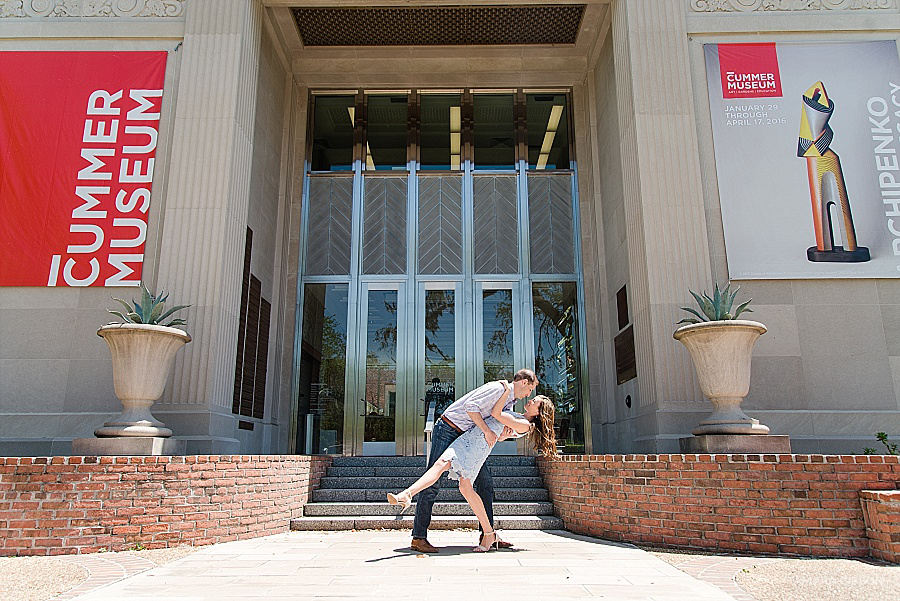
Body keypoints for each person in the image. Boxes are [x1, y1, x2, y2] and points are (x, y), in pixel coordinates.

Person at [388, 373, 557, 552]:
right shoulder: (498, 389)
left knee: (484, 484)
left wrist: (501, 434)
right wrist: (490, 431)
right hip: (450, 429)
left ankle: (488, 534)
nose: (529, 396)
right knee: (436, 481)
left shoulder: (511, 403)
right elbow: (472, 407)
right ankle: (419, 536)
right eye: (530, 390)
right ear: (523, 382)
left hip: (470, 441)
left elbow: (499, 423)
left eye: (533, 396)